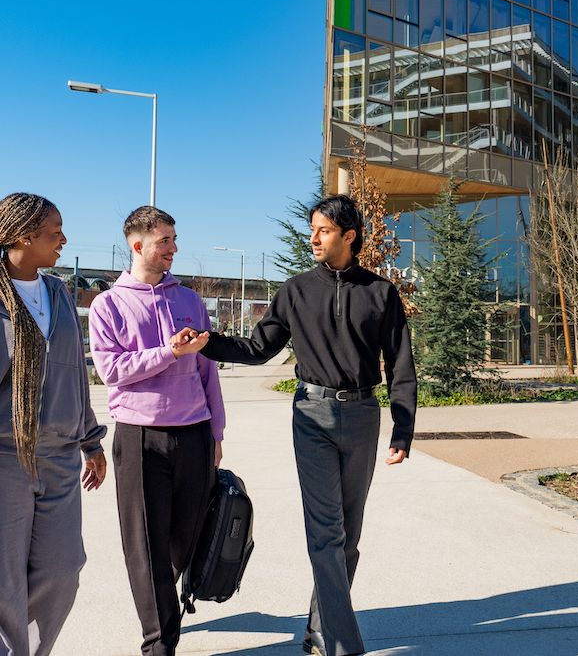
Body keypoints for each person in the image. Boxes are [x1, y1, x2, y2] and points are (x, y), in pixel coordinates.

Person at [175, 194, 417, 656]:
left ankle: (319, 631)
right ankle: (343, 645)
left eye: (323, 231)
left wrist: (402, 430)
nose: (314, 238)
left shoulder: (381, 293)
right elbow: (259, 348)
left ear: (349, 236)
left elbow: (401, 366)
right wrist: (208, 344)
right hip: (312, 417)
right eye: (313, 230)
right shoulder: (295, 290)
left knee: (349, 536)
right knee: (325, 533)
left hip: (364, 416)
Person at [88, 206, 225, 656]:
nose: (173, 248)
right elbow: (112, 371)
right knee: (144, 545)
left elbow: (207, 371)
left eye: (174, 238)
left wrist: (217, 432)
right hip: (140, 436)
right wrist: (166, 352)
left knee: (183, 538)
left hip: (194, 433)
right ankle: (159, 642)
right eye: (165, 240)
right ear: (138, 244)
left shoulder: (189, 300)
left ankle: (164, 601)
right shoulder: (108, 305)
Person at [0, 192, 107, 656]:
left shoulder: (59, 293)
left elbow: (76, 376)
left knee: (63, 568)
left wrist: (91, 441)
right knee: (3, 581)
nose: (64, 239)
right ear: (23, 236)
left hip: (60, 455)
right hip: (5, 457)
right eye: (54, 231)